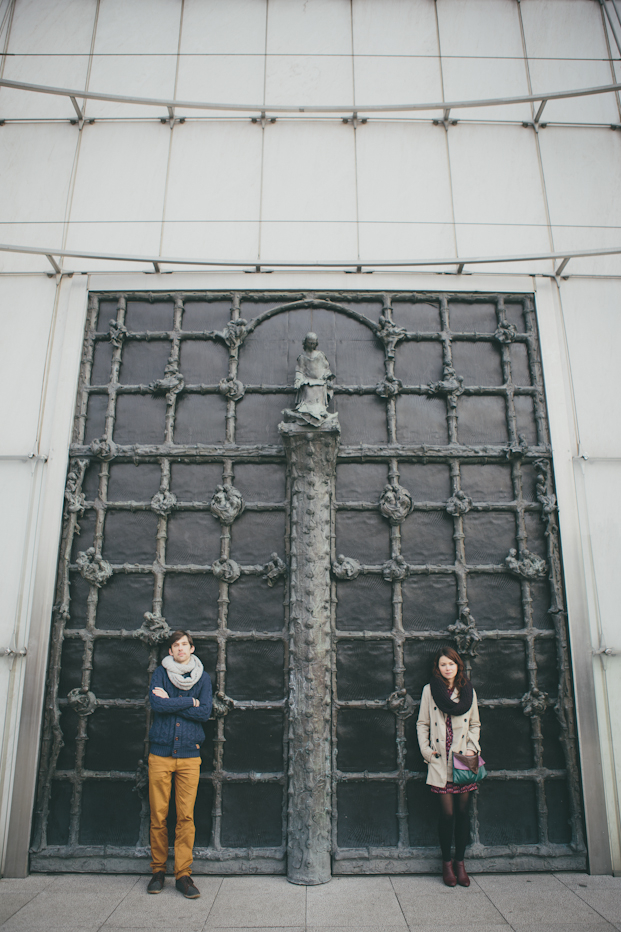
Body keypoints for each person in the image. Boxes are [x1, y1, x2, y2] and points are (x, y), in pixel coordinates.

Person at [146, 630, 212, 898]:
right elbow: (156, 705)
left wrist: (171, 702)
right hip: (160, 755)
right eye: (176, 646)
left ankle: (183, 874)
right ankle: (158, 870)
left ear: (192, 649)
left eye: (185, 644)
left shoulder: (203, 678)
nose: (181, 649)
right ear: (170, 651)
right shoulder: (160, 674)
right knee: (158, 816)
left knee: (185, 817)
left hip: (189, 756)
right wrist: (188, 701)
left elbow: (204, 712)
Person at [416, 646, 481, 888]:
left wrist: (474, 748)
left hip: (464, 759)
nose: (447, 668)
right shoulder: (429, 691)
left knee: (463, 814)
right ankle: (446, 864)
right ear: (438, 667)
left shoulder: (467, 690)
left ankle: (460, 863)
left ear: (457, 666)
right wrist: (425, 750)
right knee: (447, 814)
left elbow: (475, 723)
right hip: (440, 760)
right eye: (443, 664)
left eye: (451, 664)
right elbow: (422, 723)